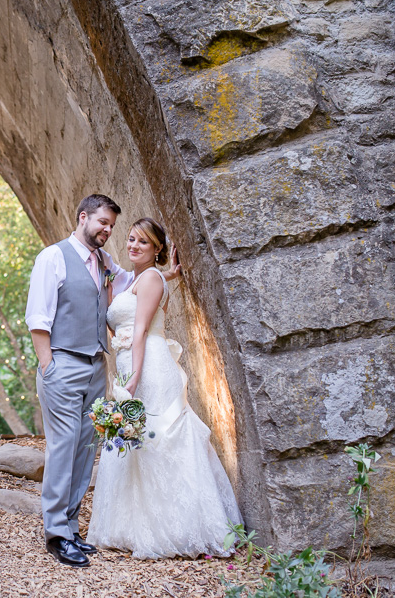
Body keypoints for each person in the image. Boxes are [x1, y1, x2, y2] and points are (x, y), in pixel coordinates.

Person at [87, 217, 242, 558]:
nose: (133, 246)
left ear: (157, 249)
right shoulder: (138, 280)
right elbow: (128, 320)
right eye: (130, 239)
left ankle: (182, 526)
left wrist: (135, 376)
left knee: (161, 437)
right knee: (138, 442)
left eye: (143, 242)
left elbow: (140, 330)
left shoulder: (151, 277)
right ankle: (135, 525)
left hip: (151, 367)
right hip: (132, 363)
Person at [25, 194, 134, 568]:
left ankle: (71, 527)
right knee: (63, 448)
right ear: (83, 217)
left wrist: (162, 273)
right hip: (63, 364)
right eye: (102, 222)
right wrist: (48, 366)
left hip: (95, 366)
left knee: (86, 449)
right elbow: (38, 317)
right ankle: (55, 535)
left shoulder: (105, 262)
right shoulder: (52, 257)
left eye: (111, 226)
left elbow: (129, 286)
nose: (106, 230)